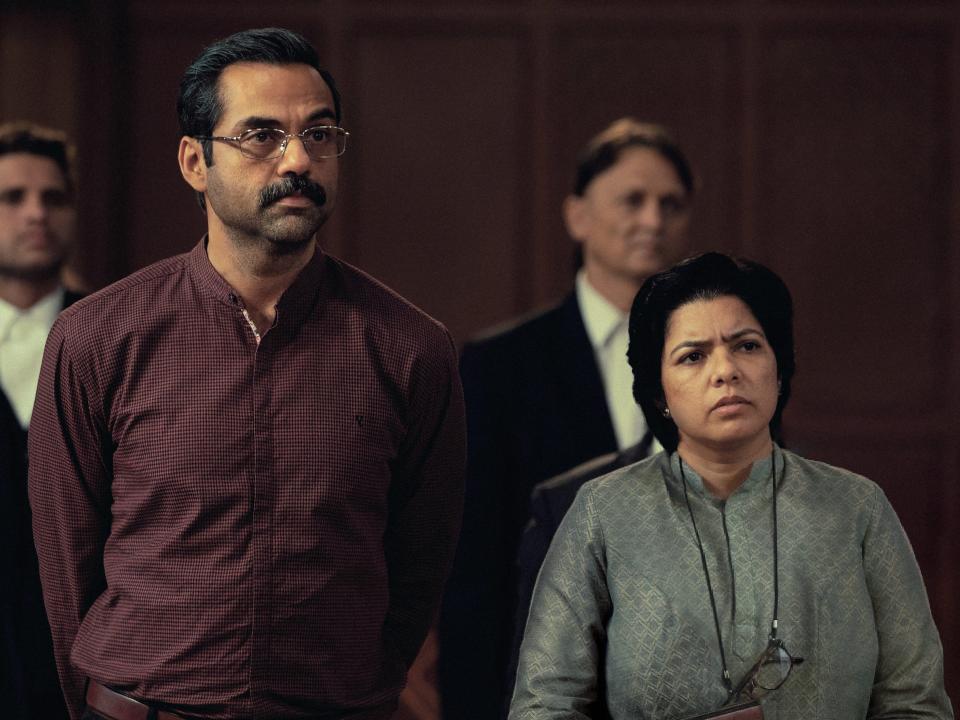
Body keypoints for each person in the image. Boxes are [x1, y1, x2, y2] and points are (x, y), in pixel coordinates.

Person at [28, 28, 465, 720]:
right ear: (194, 162)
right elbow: (64, 563)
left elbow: (422, 567)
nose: (298, 159)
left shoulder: (410, 347)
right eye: (261, 135)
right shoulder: (97, 338)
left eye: (319, 135)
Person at [509, 252, 953, 719]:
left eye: (747, 346)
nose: (725, 371)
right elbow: (545, 705)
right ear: (658, 393)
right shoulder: (603, 513)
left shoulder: (856, 508)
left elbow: (916, 702)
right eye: (693, 356)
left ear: (779, 370)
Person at [440, 119, 694, 719]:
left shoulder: (728, 360)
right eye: (633, 200)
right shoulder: (500, 365)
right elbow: (474, 571)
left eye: (671, 204)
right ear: (578, 216)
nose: (654, 220)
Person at [0, 121, 79, 720]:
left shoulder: (115, 339)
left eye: (53, 198)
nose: (36, 215)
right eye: (11, 197)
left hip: (81, 660)